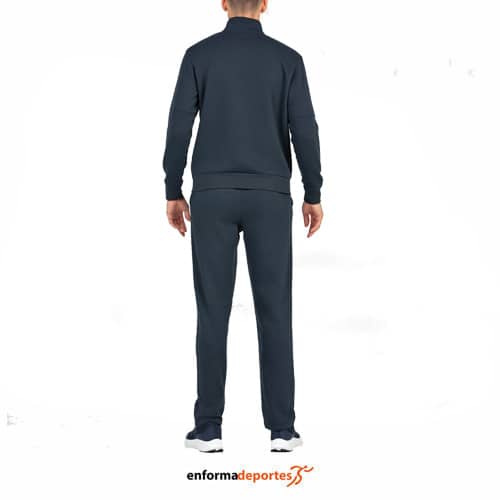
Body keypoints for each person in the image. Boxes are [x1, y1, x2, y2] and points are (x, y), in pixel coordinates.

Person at [162, 0, 323, 453]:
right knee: (275, 310)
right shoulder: (288, 60)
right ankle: (283, 430)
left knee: (212, 311)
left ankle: (208, 429)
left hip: (211, 196)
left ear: (223, 3)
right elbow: (304, 128)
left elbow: (179, 125)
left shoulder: (199, 55)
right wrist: (312, 191)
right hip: (270, 198)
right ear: (265, 5)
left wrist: (173, 188)